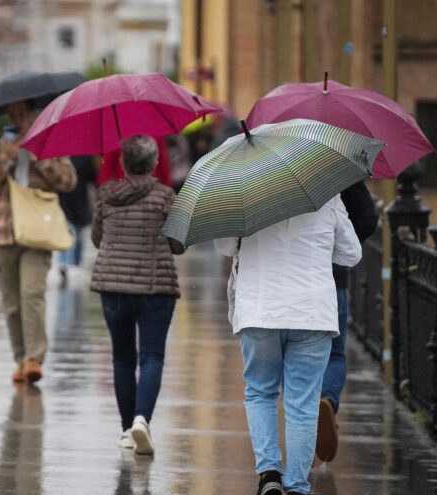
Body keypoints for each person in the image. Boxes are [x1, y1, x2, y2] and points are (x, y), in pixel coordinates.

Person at [215, 195, 362, 495]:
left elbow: (225, 246)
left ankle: (269, 475)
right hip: (311, 312)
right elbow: (351, 254)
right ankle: (296, 485)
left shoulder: (244, 191)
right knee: (303, 403)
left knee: (260, 392)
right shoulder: (326, 195)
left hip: (260, 309)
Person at [0, 100, 76, 384]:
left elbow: (67, 181)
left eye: (22, 114)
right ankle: (20, 359)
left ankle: (34, 357)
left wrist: (37, 157)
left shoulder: (49, 143)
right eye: (12, 115)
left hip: (37, 232)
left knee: (32, 294)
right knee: (12, 303)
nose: (17, 119)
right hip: (5, 232)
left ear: (33, 115)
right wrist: (4, 160)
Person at [90, 134, 180, 456]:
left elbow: (97, 238)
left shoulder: (106, 195)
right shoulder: (166, 196)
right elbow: (177, 244)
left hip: (113, 286)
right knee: (152, 356)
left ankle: (128, 429)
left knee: (122, 359)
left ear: (123, 163)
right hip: (155, 288)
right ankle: (143, 419)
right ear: (155, 163)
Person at [316, 180, 379, 463]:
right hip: (333, 279)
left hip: (287, 282)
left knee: (291, 354)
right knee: (334, 354)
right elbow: (367, 219)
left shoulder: (273, 165)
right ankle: (327, 399)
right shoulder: (339, 169)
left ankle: (303, 423)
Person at [57, 155, 96, 286]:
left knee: (78, 236)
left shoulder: (85, 158)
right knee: (66, 233)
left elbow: (93, 177)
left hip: (80, 204)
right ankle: (65, 264)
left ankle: (75, 264)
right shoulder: (59, 156)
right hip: (64, 204)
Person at [96, 135, 173, 188]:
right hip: (152, 190)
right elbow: (163, 167)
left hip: (123, 189)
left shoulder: (114, 137)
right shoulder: (154, 136)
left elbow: (105, 171)